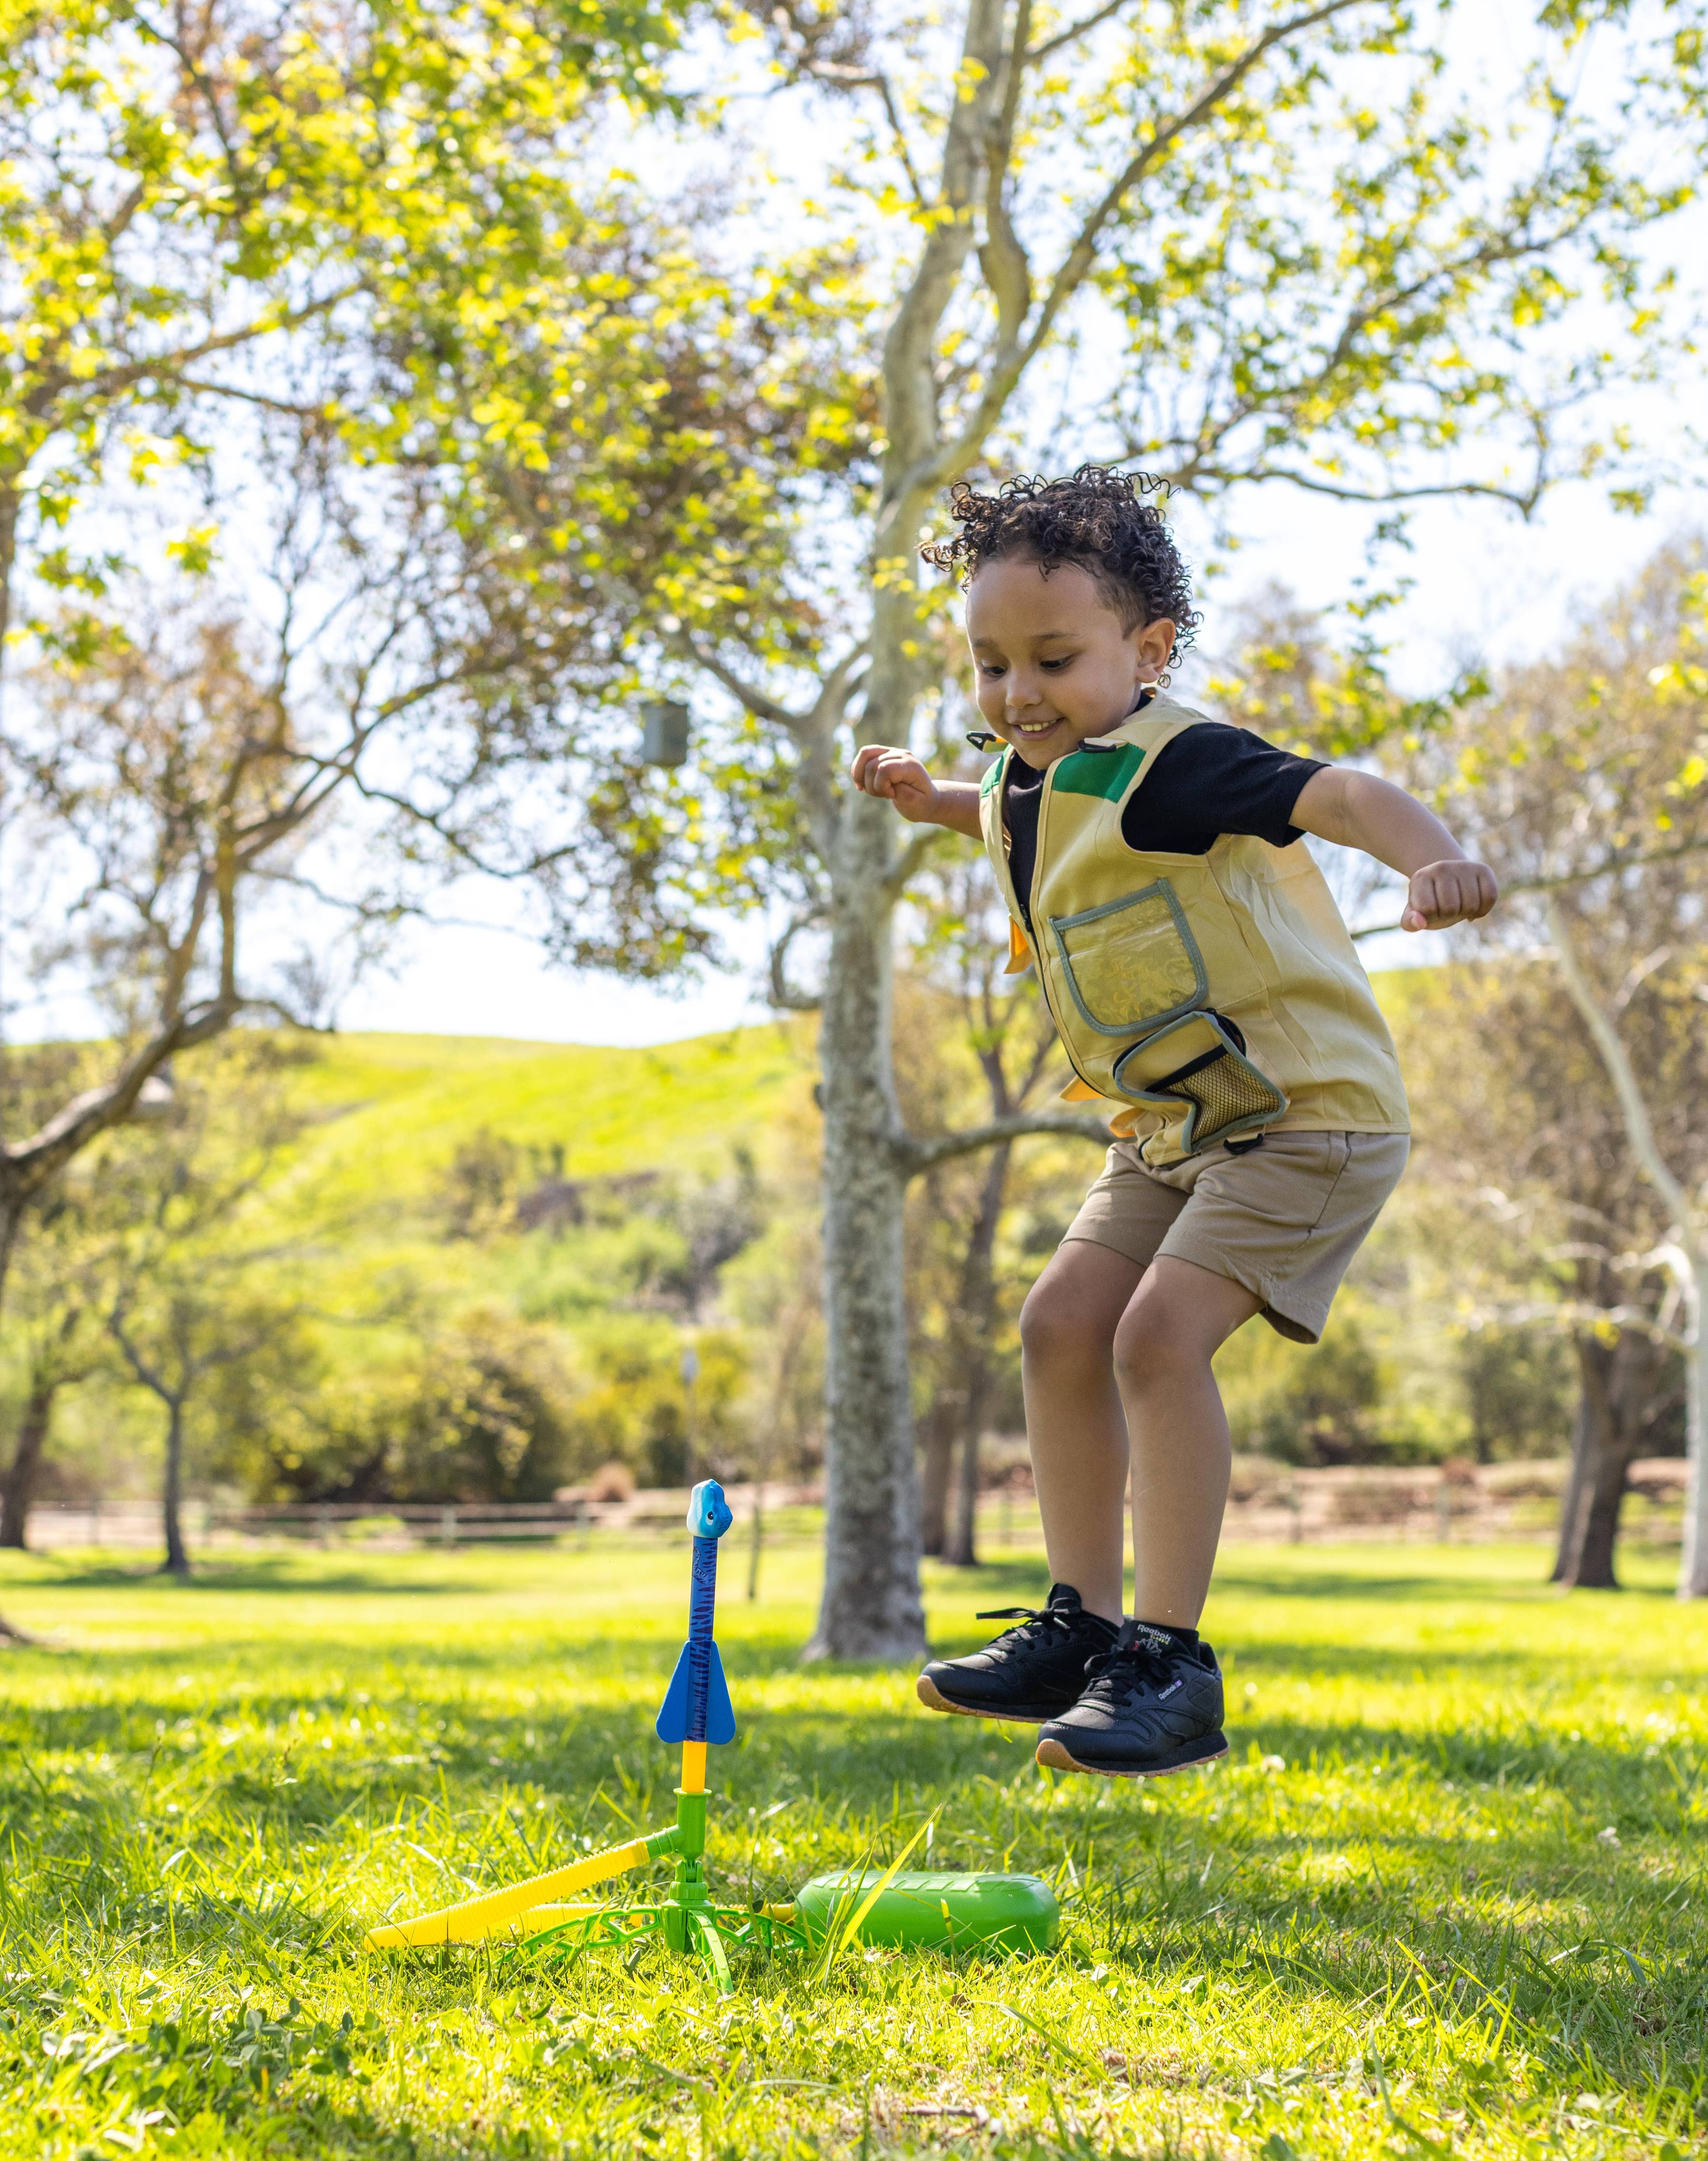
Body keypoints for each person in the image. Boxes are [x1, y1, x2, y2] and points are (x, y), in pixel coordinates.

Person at [851, 465, 1497, 1779]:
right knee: (1057, 1326)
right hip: (1171, 1129)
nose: (1016, 693)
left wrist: (1431, 852)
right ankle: (1082, 1630)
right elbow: (1014, 814)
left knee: (1154, 1340)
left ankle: (1171, 1663)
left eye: (1052, 658)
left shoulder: (1186, 761)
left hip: (1308, 1119)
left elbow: (1341, 795)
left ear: (1146, 651)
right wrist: (930, 799)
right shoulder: (1031, 780)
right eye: (989, 665)